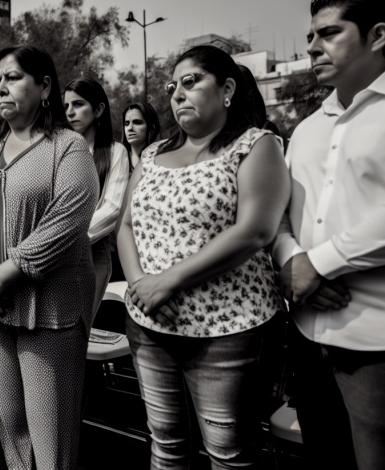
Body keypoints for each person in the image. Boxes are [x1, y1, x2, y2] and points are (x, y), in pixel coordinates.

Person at [273, 0, 385, 470]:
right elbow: (281, 218)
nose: (312, 47)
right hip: (307, 331)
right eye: (310, 36)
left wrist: (314, 265)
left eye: (329, 33)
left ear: (377, 35)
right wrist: (291, 263)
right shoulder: (308, 128)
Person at [117, 45, 290, 469]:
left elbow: (256, 230)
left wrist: (168, 281)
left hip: (227, 330)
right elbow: (125, 226)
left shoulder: (256, 145)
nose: (177, 94)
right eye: (174, 86)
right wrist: (142, 285)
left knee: (228, 456)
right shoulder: (154, 154)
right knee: (166, 446)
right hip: (150, 324)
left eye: (192, 82)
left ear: (227, 88)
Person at [0, 46, 97, 470]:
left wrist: (3, 276)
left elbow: (70, 217)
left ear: (45, 85)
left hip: (47, 306)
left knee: (50, 435)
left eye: (13, 78)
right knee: (11, 426)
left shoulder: (67, 147)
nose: (2, 88)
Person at [64, 78, 130, 323]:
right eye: (66, 106)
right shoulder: (58, 151)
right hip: (52, 253)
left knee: (78, 330)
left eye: (78, 104)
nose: (70, 111)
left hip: (91, 253)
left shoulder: (115, 151)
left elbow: (112, 209)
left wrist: (65, 238)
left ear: (99, 109)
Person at [122, 102, 161, 171]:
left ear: (151, 127)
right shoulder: (118, 159)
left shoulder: (161, 159)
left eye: (137, 122)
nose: (130, 128)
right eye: (126, 123)